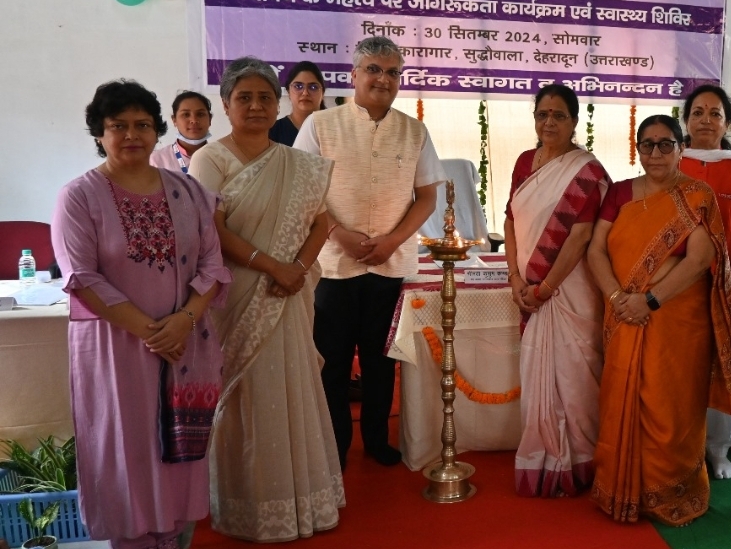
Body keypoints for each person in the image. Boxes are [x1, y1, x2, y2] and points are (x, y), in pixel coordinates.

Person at [51, 80, 229, 549]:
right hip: (116, 349)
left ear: (156, 131)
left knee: (176, 451)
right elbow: (82, 277)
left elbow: (213, 264)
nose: (132, 135)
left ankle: (172, 538)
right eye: (118, 126)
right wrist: (155, 333)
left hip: (185, 346)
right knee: (125, 448)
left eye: (142, 125)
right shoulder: (78, 197)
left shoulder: (189, 192)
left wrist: (184, 321)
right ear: (99, 133)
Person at [188, 57, 344, 541]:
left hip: (288, 292)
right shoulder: (209, 159)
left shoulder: (295, 162)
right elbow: (211, 230)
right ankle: (249, 504)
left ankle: (302, 498)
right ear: (225, 104)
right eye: (244, 98)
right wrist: (274, 266)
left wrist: (296, 268)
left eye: (264, 97)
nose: (255, 106)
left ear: (277, 104)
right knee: (247, 396)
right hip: (237, 291)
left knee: (293, 385)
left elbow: (321, 221)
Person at [294, 36, 446, 468]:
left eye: (393, 72)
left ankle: (377, 440)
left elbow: (426, 197)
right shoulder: (320, 125)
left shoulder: (414, 130)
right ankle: (335, 446)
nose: (383, 79)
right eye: (374, 70)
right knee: (333, 363)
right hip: (332, 266)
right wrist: (338, 234)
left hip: (390, 266)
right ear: (354, 74)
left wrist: (393, 241)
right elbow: (303, 192)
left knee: (382, 362)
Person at [588, 115, 731, 527]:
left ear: (680, 148)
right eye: (647, 145)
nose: (656, 153)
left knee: (671, 404)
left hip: (676, 319)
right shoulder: (619, 193)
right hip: (623, 314)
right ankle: (623, 489)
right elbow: (596, 250)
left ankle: (671, 491)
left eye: (666, 144)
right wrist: (618, 298)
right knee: (622, 397)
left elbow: (699, 259)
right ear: (638, 149)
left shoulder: (698, 195)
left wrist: (650, 300)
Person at [504, 84, 610, 497]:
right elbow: (510, 220)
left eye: (559, 115)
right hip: (529, 287)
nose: (549, 122)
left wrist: (545, 287)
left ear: (574, 121)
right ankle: (543, 457)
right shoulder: (524, 162)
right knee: (539, 376)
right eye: (542, 114)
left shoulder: (587, 171)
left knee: (576, 376)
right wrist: (516, 279)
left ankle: (580, 460)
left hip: (570, 290)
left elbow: (581, 236)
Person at [679, 84, 731, 479]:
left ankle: (718, 449)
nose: (706, 120)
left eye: (715, 113)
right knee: (680, 371)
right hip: (677, 292)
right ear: (686, 120)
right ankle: (682, 448)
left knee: (726, 370)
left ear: (727, 123)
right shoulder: (670, 164)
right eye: (698, 112)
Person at [149, 91, 213, 175]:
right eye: (186, 115)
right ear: (174, 120)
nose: (194, 120)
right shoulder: (155, 160)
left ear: (210, 119)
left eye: (200, 114)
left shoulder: (222, 158)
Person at [269, 61, 327, 146]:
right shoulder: (272, 132)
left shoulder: (335, 129)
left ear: (322, 93)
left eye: (313, 87)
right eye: (298, 86)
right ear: (288, 92)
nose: (305, 93)